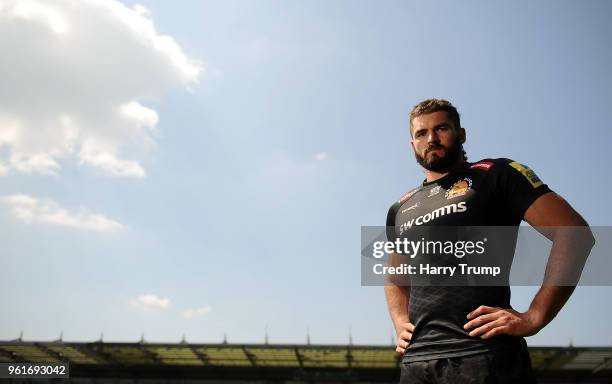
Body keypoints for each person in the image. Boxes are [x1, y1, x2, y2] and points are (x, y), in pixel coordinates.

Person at [384, 98, 595, 383]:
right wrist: (399, 322)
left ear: (461, 134)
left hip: (484, 353)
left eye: (441, 128)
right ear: (412, 144)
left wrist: (535, 316)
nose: (431, 138)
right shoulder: (401, 207)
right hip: (418, 362)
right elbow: (395, 277)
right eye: (421, 133)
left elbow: (574, 233)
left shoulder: (496, 174)